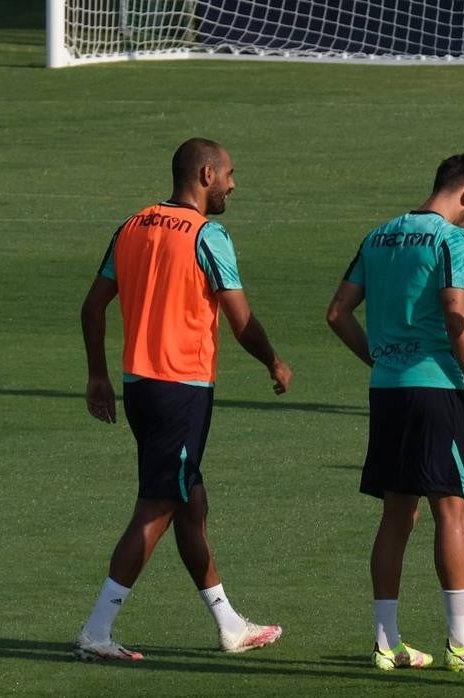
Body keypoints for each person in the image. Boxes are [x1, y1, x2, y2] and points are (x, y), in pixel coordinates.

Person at [76, 137, 292, 661]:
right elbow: (239, 320)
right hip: (181, 390)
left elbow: (93, 305)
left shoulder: (132, 225)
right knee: (157, 507)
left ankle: (229, 624)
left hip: (139, 387)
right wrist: (273, 361)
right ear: (204, 174)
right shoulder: (207, 235)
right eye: (229, 174)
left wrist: (97, 377)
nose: (233, 184)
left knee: (189, 501)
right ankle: (96, 631)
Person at [326, 154, 464, 672]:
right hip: (434, 390)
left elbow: (337, 313)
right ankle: (462, 639)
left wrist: (378, 356)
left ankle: (387, 643)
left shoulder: (378, 235)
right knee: (452, 508)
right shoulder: (451, 240)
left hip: (386, 390)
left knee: (396, 515)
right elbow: (457, 315)